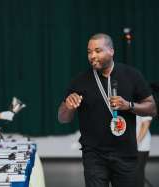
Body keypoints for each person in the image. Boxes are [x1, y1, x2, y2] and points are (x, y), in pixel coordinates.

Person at [58, 33, 157, 187]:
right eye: (89, 52)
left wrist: (129, 106)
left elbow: (152, 108)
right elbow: (63, 118)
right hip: (94, 156)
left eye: (98, 51)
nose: (92, 56)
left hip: (125, 154)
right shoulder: (80, 81)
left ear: (111, 51)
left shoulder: (132, 75)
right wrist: (68, 107)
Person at [136, 115, 152, 187]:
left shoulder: (145, 104)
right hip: (131, 146)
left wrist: (136, 143)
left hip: (141, 147)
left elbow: (146, 124)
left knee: (138, 173)